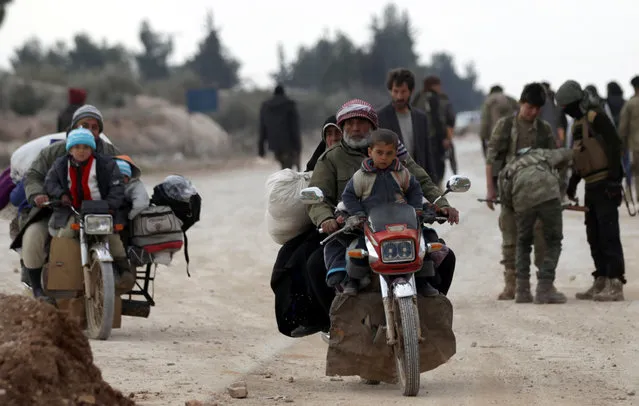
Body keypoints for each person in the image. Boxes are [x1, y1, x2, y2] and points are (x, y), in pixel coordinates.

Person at [307, 98, 459, 298]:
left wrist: (442, 205)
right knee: (316, 266)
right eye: (349, 124)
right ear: (342, 127)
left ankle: (432, 308)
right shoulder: (330, 159)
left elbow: (421, 182)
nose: (355, 128)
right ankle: (334, 323)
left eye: (361, 123)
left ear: (372, 126)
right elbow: (316, 198)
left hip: (400, 226)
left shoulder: (395, 152)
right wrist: (326, 219)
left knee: (445, 257)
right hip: (354, 230)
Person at [10, 105, 134, 297]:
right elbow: (34, 175)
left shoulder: (110, 153)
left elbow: (126, 179)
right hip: (57, 210)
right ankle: (37, 287)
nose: (90, 131)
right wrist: (38, 195)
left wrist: (116, 202)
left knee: (121, 236)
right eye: (84, 125)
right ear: (74, 127)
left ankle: (119, 274)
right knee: (33, 237)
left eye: (94, 127)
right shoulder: (54, 153)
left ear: (100, 130)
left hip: (100, 211)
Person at [334, 129, 427, 295]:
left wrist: (417, 209)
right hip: (372, 228)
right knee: (358, 252)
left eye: (389, 153)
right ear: (370, 152)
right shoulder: (361, 176)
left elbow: (415, 190)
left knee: (423, 248)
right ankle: (353, 282)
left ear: (396, 154)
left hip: (403, 225)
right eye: (379, 152)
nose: (384, 157)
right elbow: (348, 196)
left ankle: (424, 282)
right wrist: (358, 214)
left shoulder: (402, 173)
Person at [556, 79, 625, 301]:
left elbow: (615, 145)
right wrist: (573, 183)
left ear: (576, 102)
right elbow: (580, 155)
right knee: (594, 234)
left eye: (567, 107)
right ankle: (601, 278)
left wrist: (616, 180)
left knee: (609, 234)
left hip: (605, 183)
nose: (566, 112)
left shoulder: (596, 116)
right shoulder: (577, 124)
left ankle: (615, 282)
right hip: (591, 186)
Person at [485, 83, 555, 300]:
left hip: (539, 195)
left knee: (542, 239)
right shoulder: (505, 126)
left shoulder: (544, 130)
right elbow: (492, 158)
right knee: (511, 239)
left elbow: (554, 161)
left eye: (537, 108)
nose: (532, 112)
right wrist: (491, 190)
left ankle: (545, 284)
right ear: (521, 104)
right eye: (529, 107)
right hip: (511, 193)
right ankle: (512, 285)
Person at [43, 129, 126, 297]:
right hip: (73, 211)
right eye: (77, 147)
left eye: (86, 147)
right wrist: (61, 195)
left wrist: (110, 205)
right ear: (70, 149)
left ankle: (122, 272)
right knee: (63, 238)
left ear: (92, 149)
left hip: (101, 211)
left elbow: (117, 187)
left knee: (114, 240)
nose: (81, 151)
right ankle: (64, 278)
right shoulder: (60, 165)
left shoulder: (106, 164)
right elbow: (49, 183)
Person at [499, 147, 573, 304]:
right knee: (553, 241)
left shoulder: (508, 168)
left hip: (522, 200)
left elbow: (505, 200)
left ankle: (522, 291)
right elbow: (568, 153)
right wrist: (561, 179)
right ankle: (545, 287)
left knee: (523, 242)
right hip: (548, 195)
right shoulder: (544, 154)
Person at [377, 68, 437, 183]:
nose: (399, 96)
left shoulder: (421, 118)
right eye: (395, 91)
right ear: (390, 91)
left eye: (403, 91)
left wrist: (432, 185)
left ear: (411, 91)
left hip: (417, 182)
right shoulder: (380, 117)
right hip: (390, 182)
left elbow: (427, 155)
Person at [412, 75, 457, 187]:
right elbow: (450, 120)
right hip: (437, 141)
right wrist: (447, 138)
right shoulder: (441, 99)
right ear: (435, 85)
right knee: (438, 171)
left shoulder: (417, 99)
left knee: (422, 170)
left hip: (419, 142)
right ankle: (437, 195)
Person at [258, 84, 302, 170]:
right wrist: (298, 147)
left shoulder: (266, 106)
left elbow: (262, 128)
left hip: (274, 143)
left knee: (284, 166)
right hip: (288, 144)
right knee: (287, 167)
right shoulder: (289, 105)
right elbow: (294, 128)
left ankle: (285, 179)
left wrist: (261, 150)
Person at [479, 85, 519, 160]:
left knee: (496, 163)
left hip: (495, 136)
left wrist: (483, 137)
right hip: (511, 134)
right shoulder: (509, 99)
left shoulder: (489, 101)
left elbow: (485, 122)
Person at [619, 76, 639, 200]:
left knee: (636, 173)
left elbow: (623, 128)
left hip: (635, 145)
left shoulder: (630, 104)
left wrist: (621, 145)